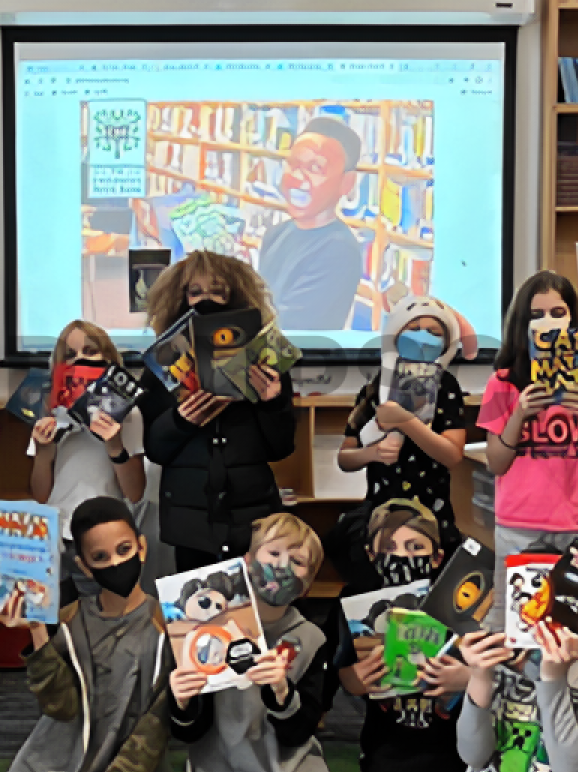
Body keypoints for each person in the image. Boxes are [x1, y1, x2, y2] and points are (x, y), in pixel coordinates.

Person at [136, 251, 296, 570]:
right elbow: (155, 449)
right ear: (179, 299)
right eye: (195, 292)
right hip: (191, 525)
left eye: (218, 291)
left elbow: (281, 448)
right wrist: (181, 421)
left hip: (253, 523)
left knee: (255, 614)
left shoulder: (265, 362)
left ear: (236, 296)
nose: (206, 300)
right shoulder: (162, 363)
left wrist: (272, 403)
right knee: (196, 612)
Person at [476, 271, 578, 625]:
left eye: (558, 312)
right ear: (522, 324)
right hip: (519, 524)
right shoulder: (503, 382)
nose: (548, 323)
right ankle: (508, 681)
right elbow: (496, 462)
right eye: (537, 315)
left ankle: (565, 681)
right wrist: (520, 414)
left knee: (577, 618)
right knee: (515, 618)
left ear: (574, 319)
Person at [1, 497, 173, 772]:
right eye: (100, 557)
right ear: (85, 567)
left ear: (142, 548)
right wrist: (38, 631)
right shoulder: (67, 622)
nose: (116, 563)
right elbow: (61, 708)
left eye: (124, 549)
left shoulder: (168, 624)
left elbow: (157, 722)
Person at [329, 295, 476, 593]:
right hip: (381, 517)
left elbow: (452, 455)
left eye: (434, 332)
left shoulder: (446, 386)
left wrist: (405, 421)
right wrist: (371, 452)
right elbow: (345, 458)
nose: (423, 338)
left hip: (432, 521)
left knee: (430, 598)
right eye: (414, 328)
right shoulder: (374, 388)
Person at [167, 514, 330, 772]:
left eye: (297, 561)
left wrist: (283, 694)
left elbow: (299, 733)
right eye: (274, 552)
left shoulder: (311, 640)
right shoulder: (204, 627)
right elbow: (187, 732)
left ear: (307, 585)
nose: (282, 565)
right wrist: (183, 702)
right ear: (247, 561)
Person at [334, 505, 470, 772]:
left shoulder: (459, 607)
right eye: (387, 548)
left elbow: (486, 674)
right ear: (371, 555)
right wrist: (356, 679)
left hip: (452, 755)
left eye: (415, 547)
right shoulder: (359, 611)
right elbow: (346, 674)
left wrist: (467, 679)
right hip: (385, 754)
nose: (400, 557)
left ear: (437, 557)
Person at [30, 321, 147, 604]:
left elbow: (135, 491)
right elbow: (40, 494)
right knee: (57, 622)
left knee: (102, 616)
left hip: (103, 538)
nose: (79, 359)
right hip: (56, 536)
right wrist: (45, 452)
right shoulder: (50, 412)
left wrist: (115, 445)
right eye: (69, 354)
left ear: (108, 359)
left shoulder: (127, 414)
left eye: (90, 351)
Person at [453, 621, 578, 772]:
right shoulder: (500, 656)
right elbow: (474, 757)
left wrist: (552, 681)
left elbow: (570, 768)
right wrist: (480, 676)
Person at [254, 116, 367, 331]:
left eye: (315, 168)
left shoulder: (339, 250)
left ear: (347, 183)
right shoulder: (275, 234)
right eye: (292, 164)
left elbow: (286, 330)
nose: (296, 178)